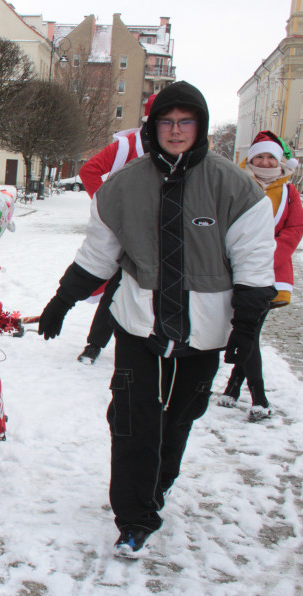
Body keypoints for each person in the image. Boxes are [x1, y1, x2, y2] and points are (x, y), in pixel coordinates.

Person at [37, 81, 275, 558]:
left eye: (185, 121)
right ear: (152, 127)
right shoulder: (121, 188)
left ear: (200, 126)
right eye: (166, 121)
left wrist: (246, 328)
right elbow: (97, 256)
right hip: (137, 321)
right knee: (131, 417)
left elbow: (254, 262)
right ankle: (135, 517)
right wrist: (62, 301)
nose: (175, 130)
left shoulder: (236, 187)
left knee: (181, 415)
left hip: (206, 327)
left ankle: (159, 481)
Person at [217, 131, 302, 420]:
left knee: (249, 331)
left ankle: (259, 397)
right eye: (259, 156)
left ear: (279, 161)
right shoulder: (237, 185)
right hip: (237, 268)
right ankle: (232, 388)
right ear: (250, 158)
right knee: (249, 331)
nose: (265, 161)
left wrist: (269, 253)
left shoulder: (289, 192)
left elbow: (294, 228)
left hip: (272, 274)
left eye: (270, 157)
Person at [74, 95, 155, 365]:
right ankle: (95, 345)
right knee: (116, 288)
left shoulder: (182, 148)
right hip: (128, 234)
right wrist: (111, 209)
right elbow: (89, 171)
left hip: (162, 235)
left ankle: (152, 344)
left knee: (158, 292)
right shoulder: (129, 146)